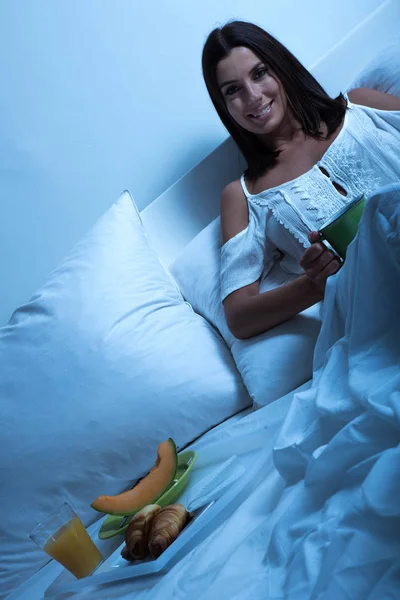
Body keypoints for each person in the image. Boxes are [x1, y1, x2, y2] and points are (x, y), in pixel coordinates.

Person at [201, 21, 400, 339]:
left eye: (259, 73)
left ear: (280, 67)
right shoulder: (243, 195)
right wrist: (313, 284)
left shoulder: (363, 106)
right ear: (224, 107)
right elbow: (239, 317)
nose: (253, 97)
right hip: (379, 324)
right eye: (232, 90)